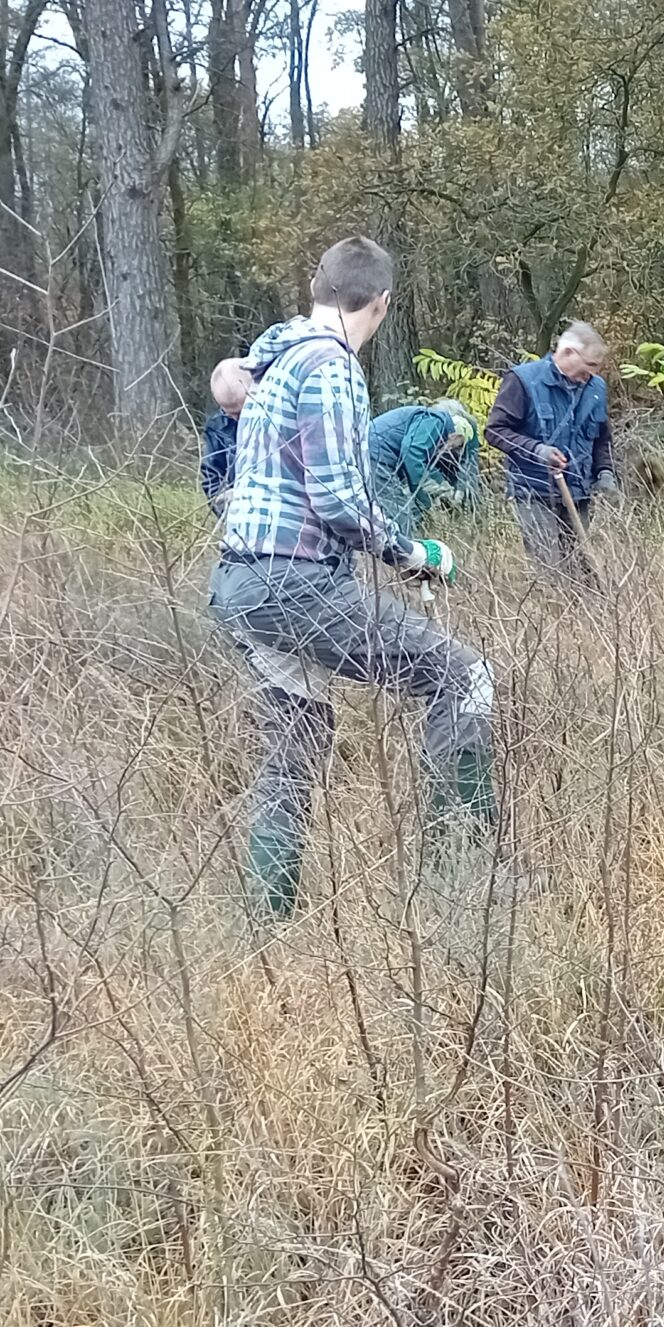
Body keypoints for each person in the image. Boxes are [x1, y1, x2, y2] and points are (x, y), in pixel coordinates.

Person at [209, 237, 491, 919]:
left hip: (241, 583)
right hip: (294, 583)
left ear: (317, 287)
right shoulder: (332, 367)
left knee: (297, 737)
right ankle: (463, 880)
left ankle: (267, 919)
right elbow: (337, 498)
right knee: (465, 680)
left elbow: (237, 395)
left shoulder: (277, 357)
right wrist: (412, 552)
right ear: (382, 304)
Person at [484, 320, 617, 581]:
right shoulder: (523, 380)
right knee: (549, 570)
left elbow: (602, 437)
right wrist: (537, 450)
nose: (592, 373)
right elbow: (495, 431)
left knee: (582, 569)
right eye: (589, 365)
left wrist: (605, 471)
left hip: (578, 493)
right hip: (534, 492)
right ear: (568, 352)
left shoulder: (595, 389)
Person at [368, 397, 481, 535]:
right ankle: (404, 547)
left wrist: (460, 491)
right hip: (377, 457)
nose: (449, 450)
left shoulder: (460, 427)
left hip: (376, 455)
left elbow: (469, 464)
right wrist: (430, 501)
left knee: (399, 510)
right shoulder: (436, 419)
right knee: (400, 516)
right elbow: (412, 454)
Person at [199, 357, 257, 514]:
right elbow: (213, 479)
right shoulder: (217, 427)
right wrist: (228, 512)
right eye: (230, 412)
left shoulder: (277, 415)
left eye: (242, 411)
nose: (238, 419)